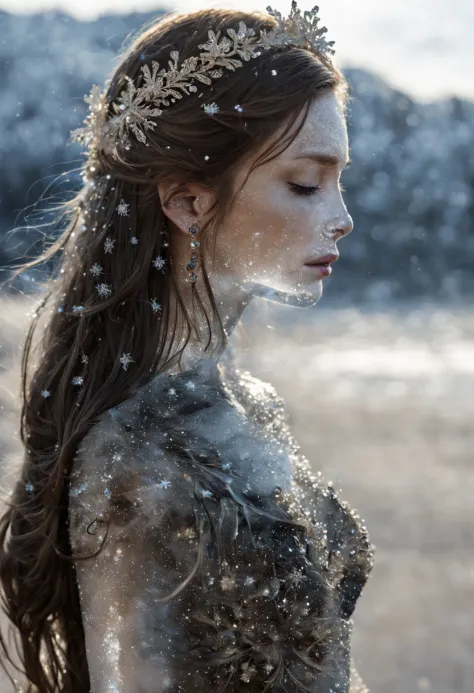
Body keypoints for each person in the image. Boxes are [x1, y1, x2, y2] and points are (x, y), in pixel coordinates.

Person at [0, 3, 374, 691]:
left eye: (339, 179)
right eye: (305, 183)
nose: (342, 217)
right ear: (188, 202)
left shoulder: (248, 403)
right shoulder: (133, 457)